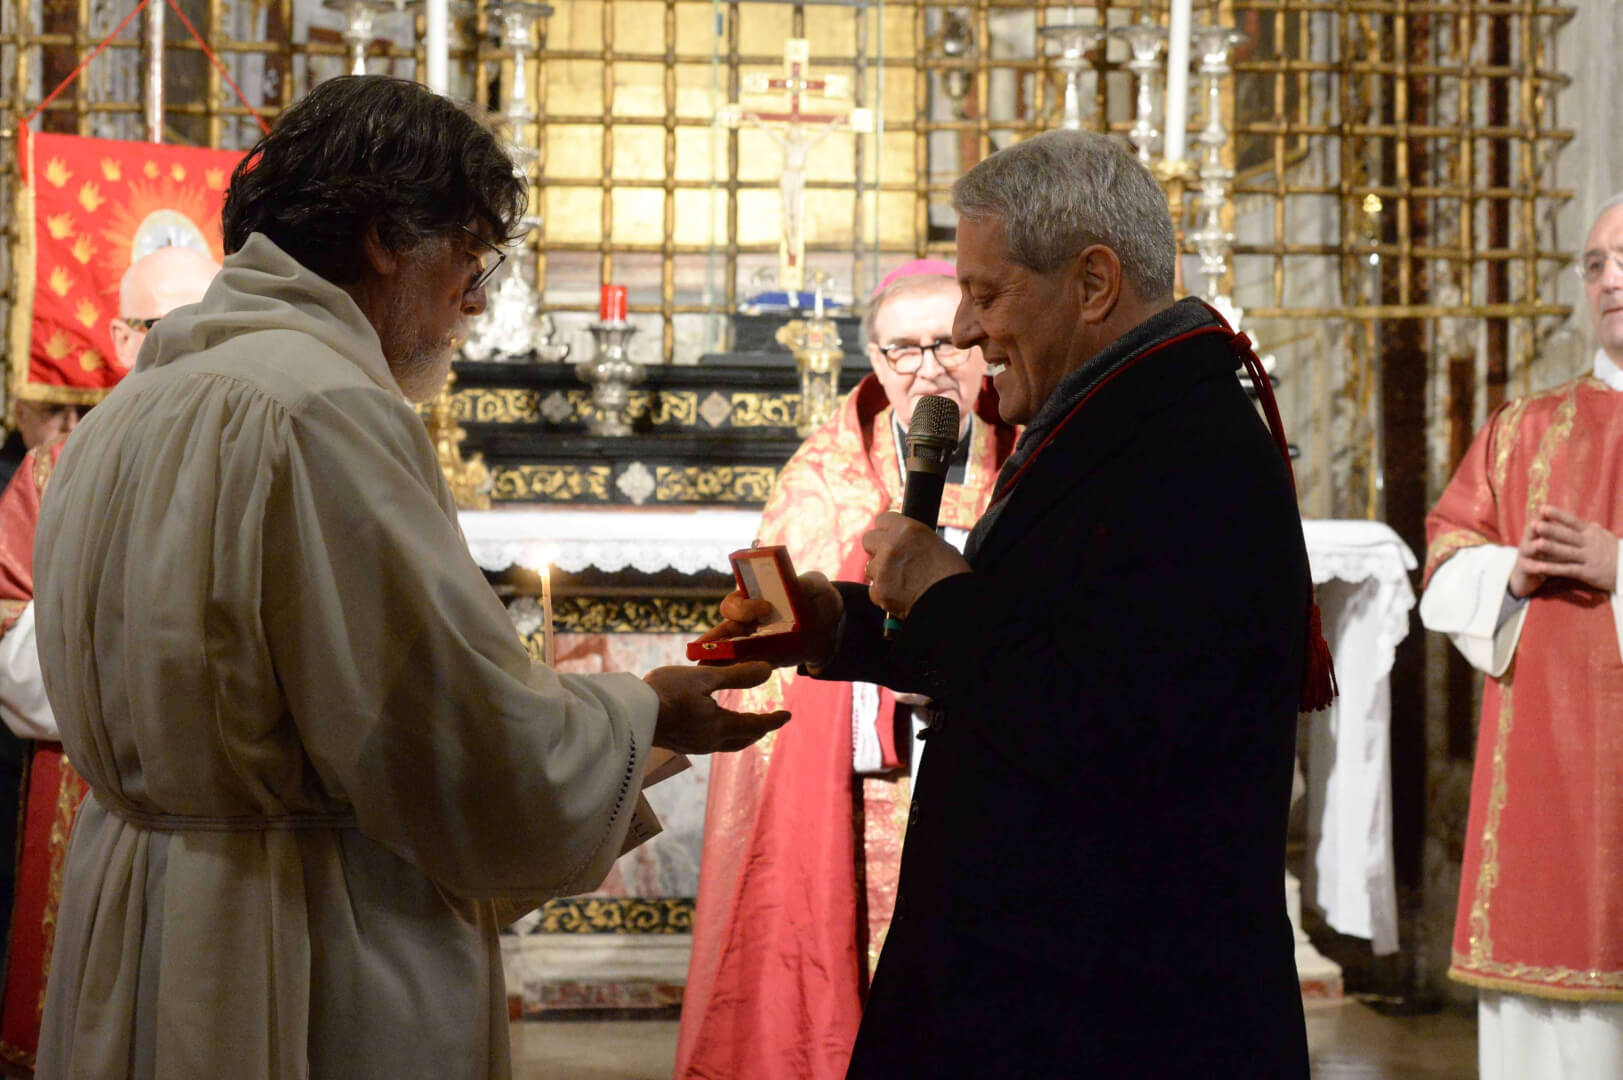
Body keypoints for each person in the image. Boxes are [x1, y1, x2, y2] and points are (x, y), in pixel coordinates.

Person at [26, 75, 786, 1080]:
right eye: (471, 259)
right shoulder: (325, 409)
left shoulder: (123, 412)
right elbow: (442, 731)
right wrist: (645, 714)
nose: (475, 302)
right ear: (387, 239)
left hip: (133, 906)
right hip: (297, 934)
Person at [703, 130, 1322, 1077]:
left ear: (1092, 283)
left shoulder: (1183, 448)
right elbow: (1041, 636)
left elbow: (1115, 722)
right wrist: (838, 624)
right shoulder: (1112, 420)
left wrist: (944, 596)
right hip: (1056, 968)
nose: (962, 332)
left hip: (1114, 999)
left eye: (986, 295)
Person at [676, 260, 1015, 1080]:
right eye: (903, 349)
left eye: (945, 344)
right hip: (866, 777)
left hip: (996, 761)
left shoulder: (1032, 458)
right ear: (873, 358)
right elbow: (788, 626)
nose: (928, 368)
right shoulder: (820, 481)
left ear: (979, 346)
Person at [0, 242, 221, 1073]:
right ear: (123, 338)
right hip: (88, 783)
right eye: (165, 326)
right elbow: (14, 665)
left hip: (226, 800)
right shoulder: (52, 473)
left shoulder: (262, 447)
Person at [1420, 194, 1623, 1080]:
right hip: (1544, 789)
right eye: (1595, 263)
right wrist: (1509, 575)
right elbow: (1444, 565)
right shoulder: (1523, 430)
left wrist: (1616, 567)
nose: (1610, 279)